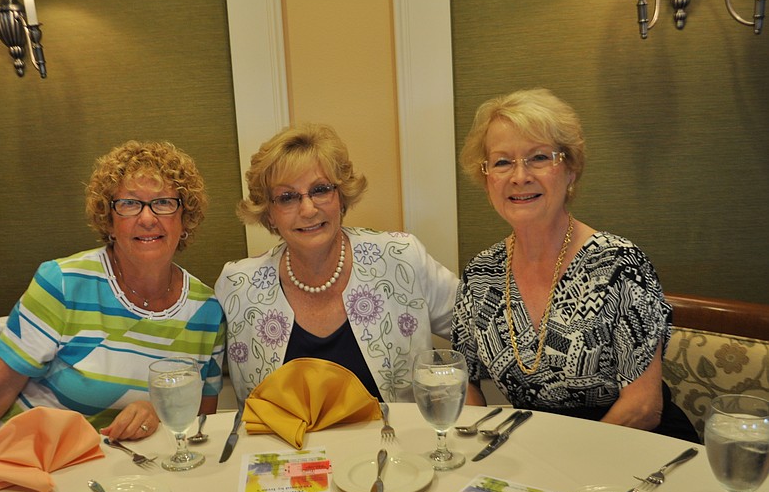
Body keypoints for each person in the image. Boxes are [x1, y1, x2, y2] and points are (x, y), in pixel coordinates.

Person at [0, 140, 226, 488]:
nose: (146, 217)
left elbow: (202, 417)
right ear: (109, 220)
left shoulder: (206, 310)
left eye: (164, 203)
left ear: (185, 218)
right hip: (20, 470)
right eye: (128, 204)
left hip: (123, 478)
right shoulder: (64, 283)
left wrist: (158, 411)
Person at [452, 88, 699, 442]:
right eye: (503, 162)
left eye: (539, 157)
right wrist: (480, 440)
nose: (519, 176)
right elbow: (465, 381)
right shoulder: (481, 275)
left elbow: (644, 407)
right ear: (487, 177)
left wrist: (565, 462)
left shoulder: (619, 265)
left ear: (570, 169)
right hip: (534, 447)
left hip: (632, 445)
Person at [215, 123, 459, 403]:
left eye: (320, 190)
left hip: (393, 432)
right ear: (269, 213)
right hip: (278, 434)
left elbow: (478, 329)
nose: (308, 210)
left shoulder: (401, 258)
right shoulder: (238, 286)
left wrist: (466, 391)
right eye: (287, 197)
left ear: (341, 197)